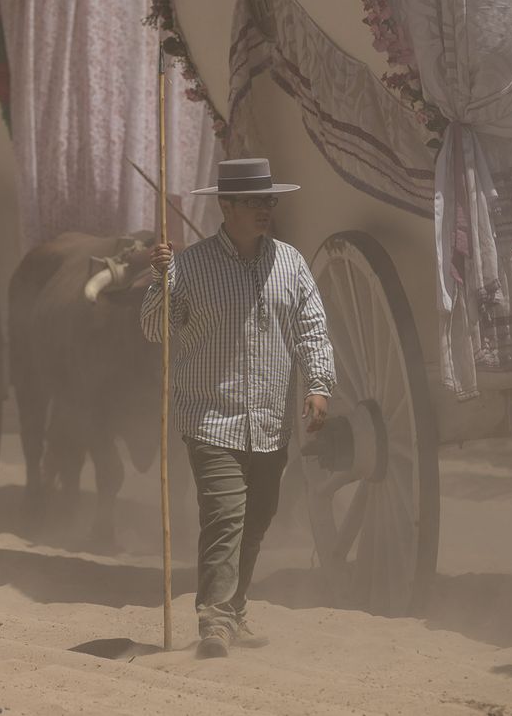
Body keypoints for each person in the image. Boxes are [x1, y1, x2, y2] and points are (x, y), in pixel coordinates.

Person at [143, 157, 335, 659]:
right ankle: (215, 618)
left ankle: (234, 608)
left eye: (267, 200)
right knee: (225, 514)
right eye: (252, 202)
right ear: (226, 207)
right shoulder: (189, 266)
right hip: (211, 417)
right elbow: (156, 330)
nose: (264, 209)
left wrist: (318, 385)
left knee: (258, 517)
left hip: (270, 422)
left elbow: (312, 329)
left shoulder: (290, 264)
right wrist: (161, 281)